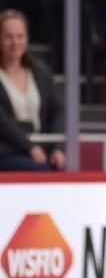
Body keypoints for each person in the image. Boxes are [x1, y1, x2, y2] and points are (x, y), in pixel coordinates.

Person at [0, 9, 64, 172]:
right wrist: (30, 148)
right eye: (8, 36)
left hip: (40, 150)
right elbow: (3, 122)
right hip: (7, 152)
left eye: (20, 36)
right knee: (42, 170)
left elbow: (57, 110)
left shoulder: (40, 71)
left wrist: (58, 147)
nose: (15, 42)